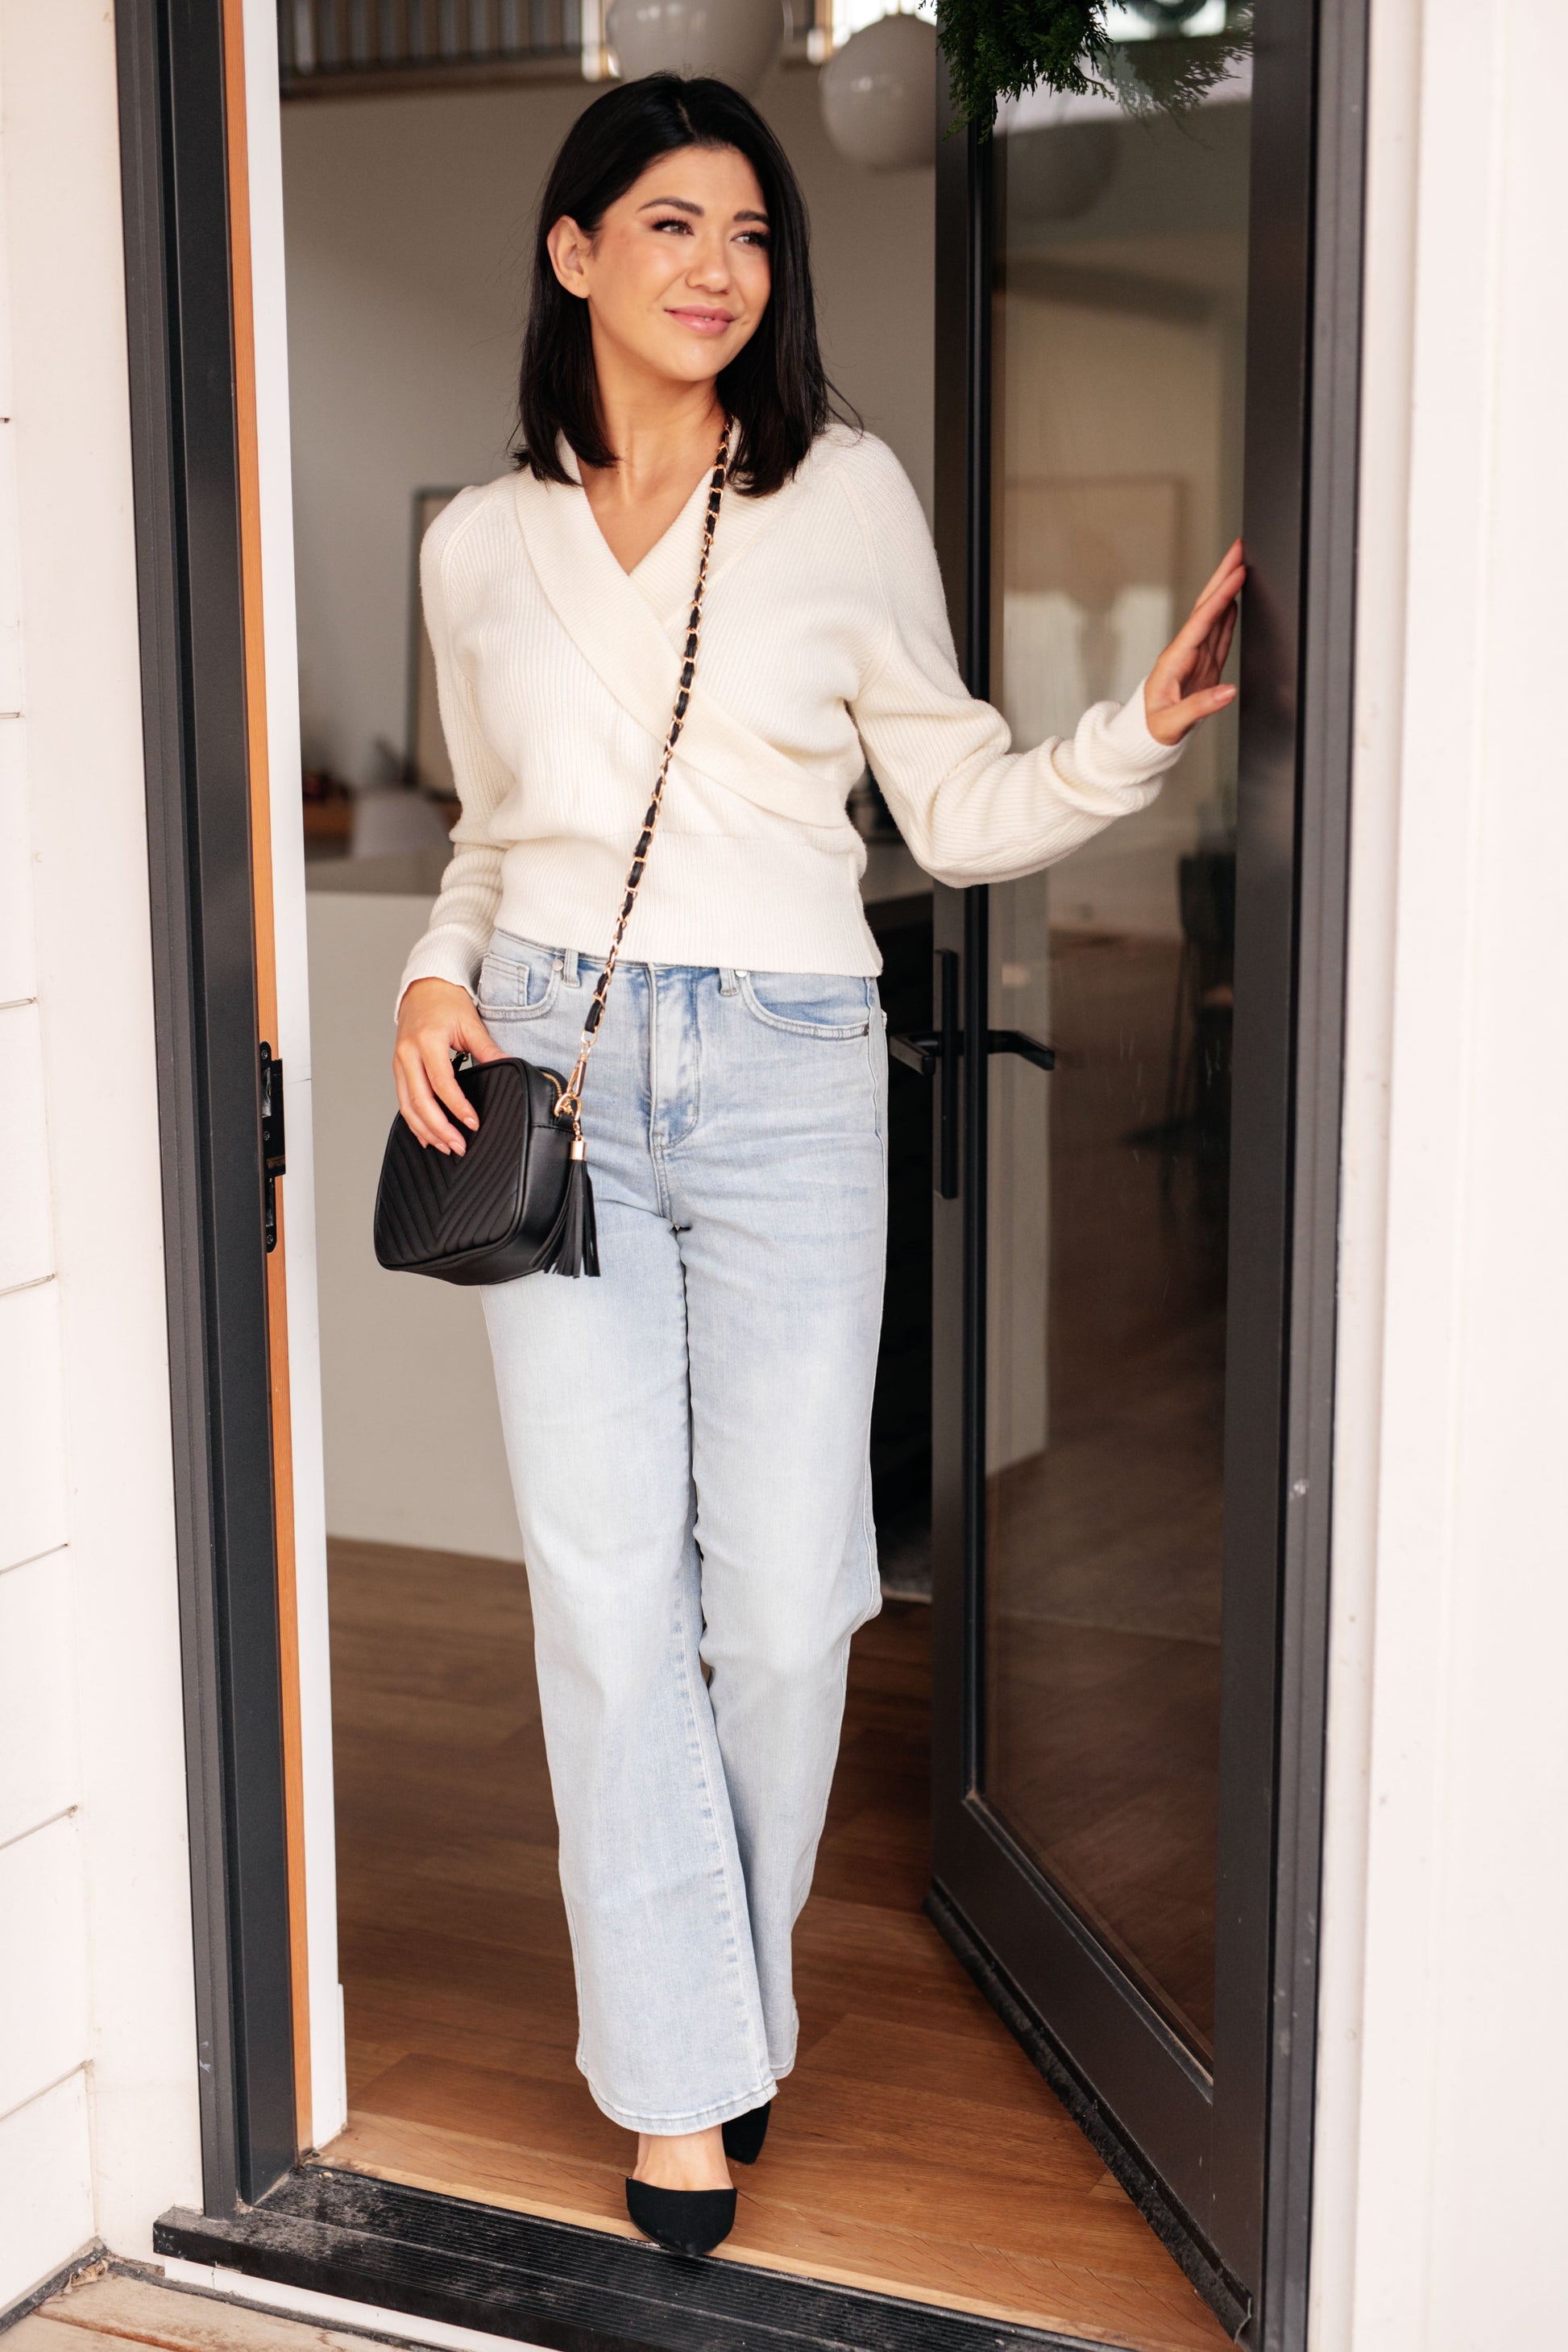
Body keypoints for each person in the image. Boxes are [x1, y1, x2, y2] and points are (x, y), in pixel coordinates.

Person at [392, 73, 1242, 2257]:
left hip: (781, 1068)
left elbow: (945, 806)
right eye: (668, 223)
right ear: (572, 251)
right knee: (601, 1596)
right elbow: (490, 838)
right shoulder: (474, 541)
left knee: (778, 1609)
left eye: (751, 234)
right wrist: (423, 979)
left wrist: (1134, 727)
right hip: (553, 1074)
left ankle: (719, 2009)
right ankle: (681, 2087)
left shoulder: (838, 493)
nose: (715, 267)